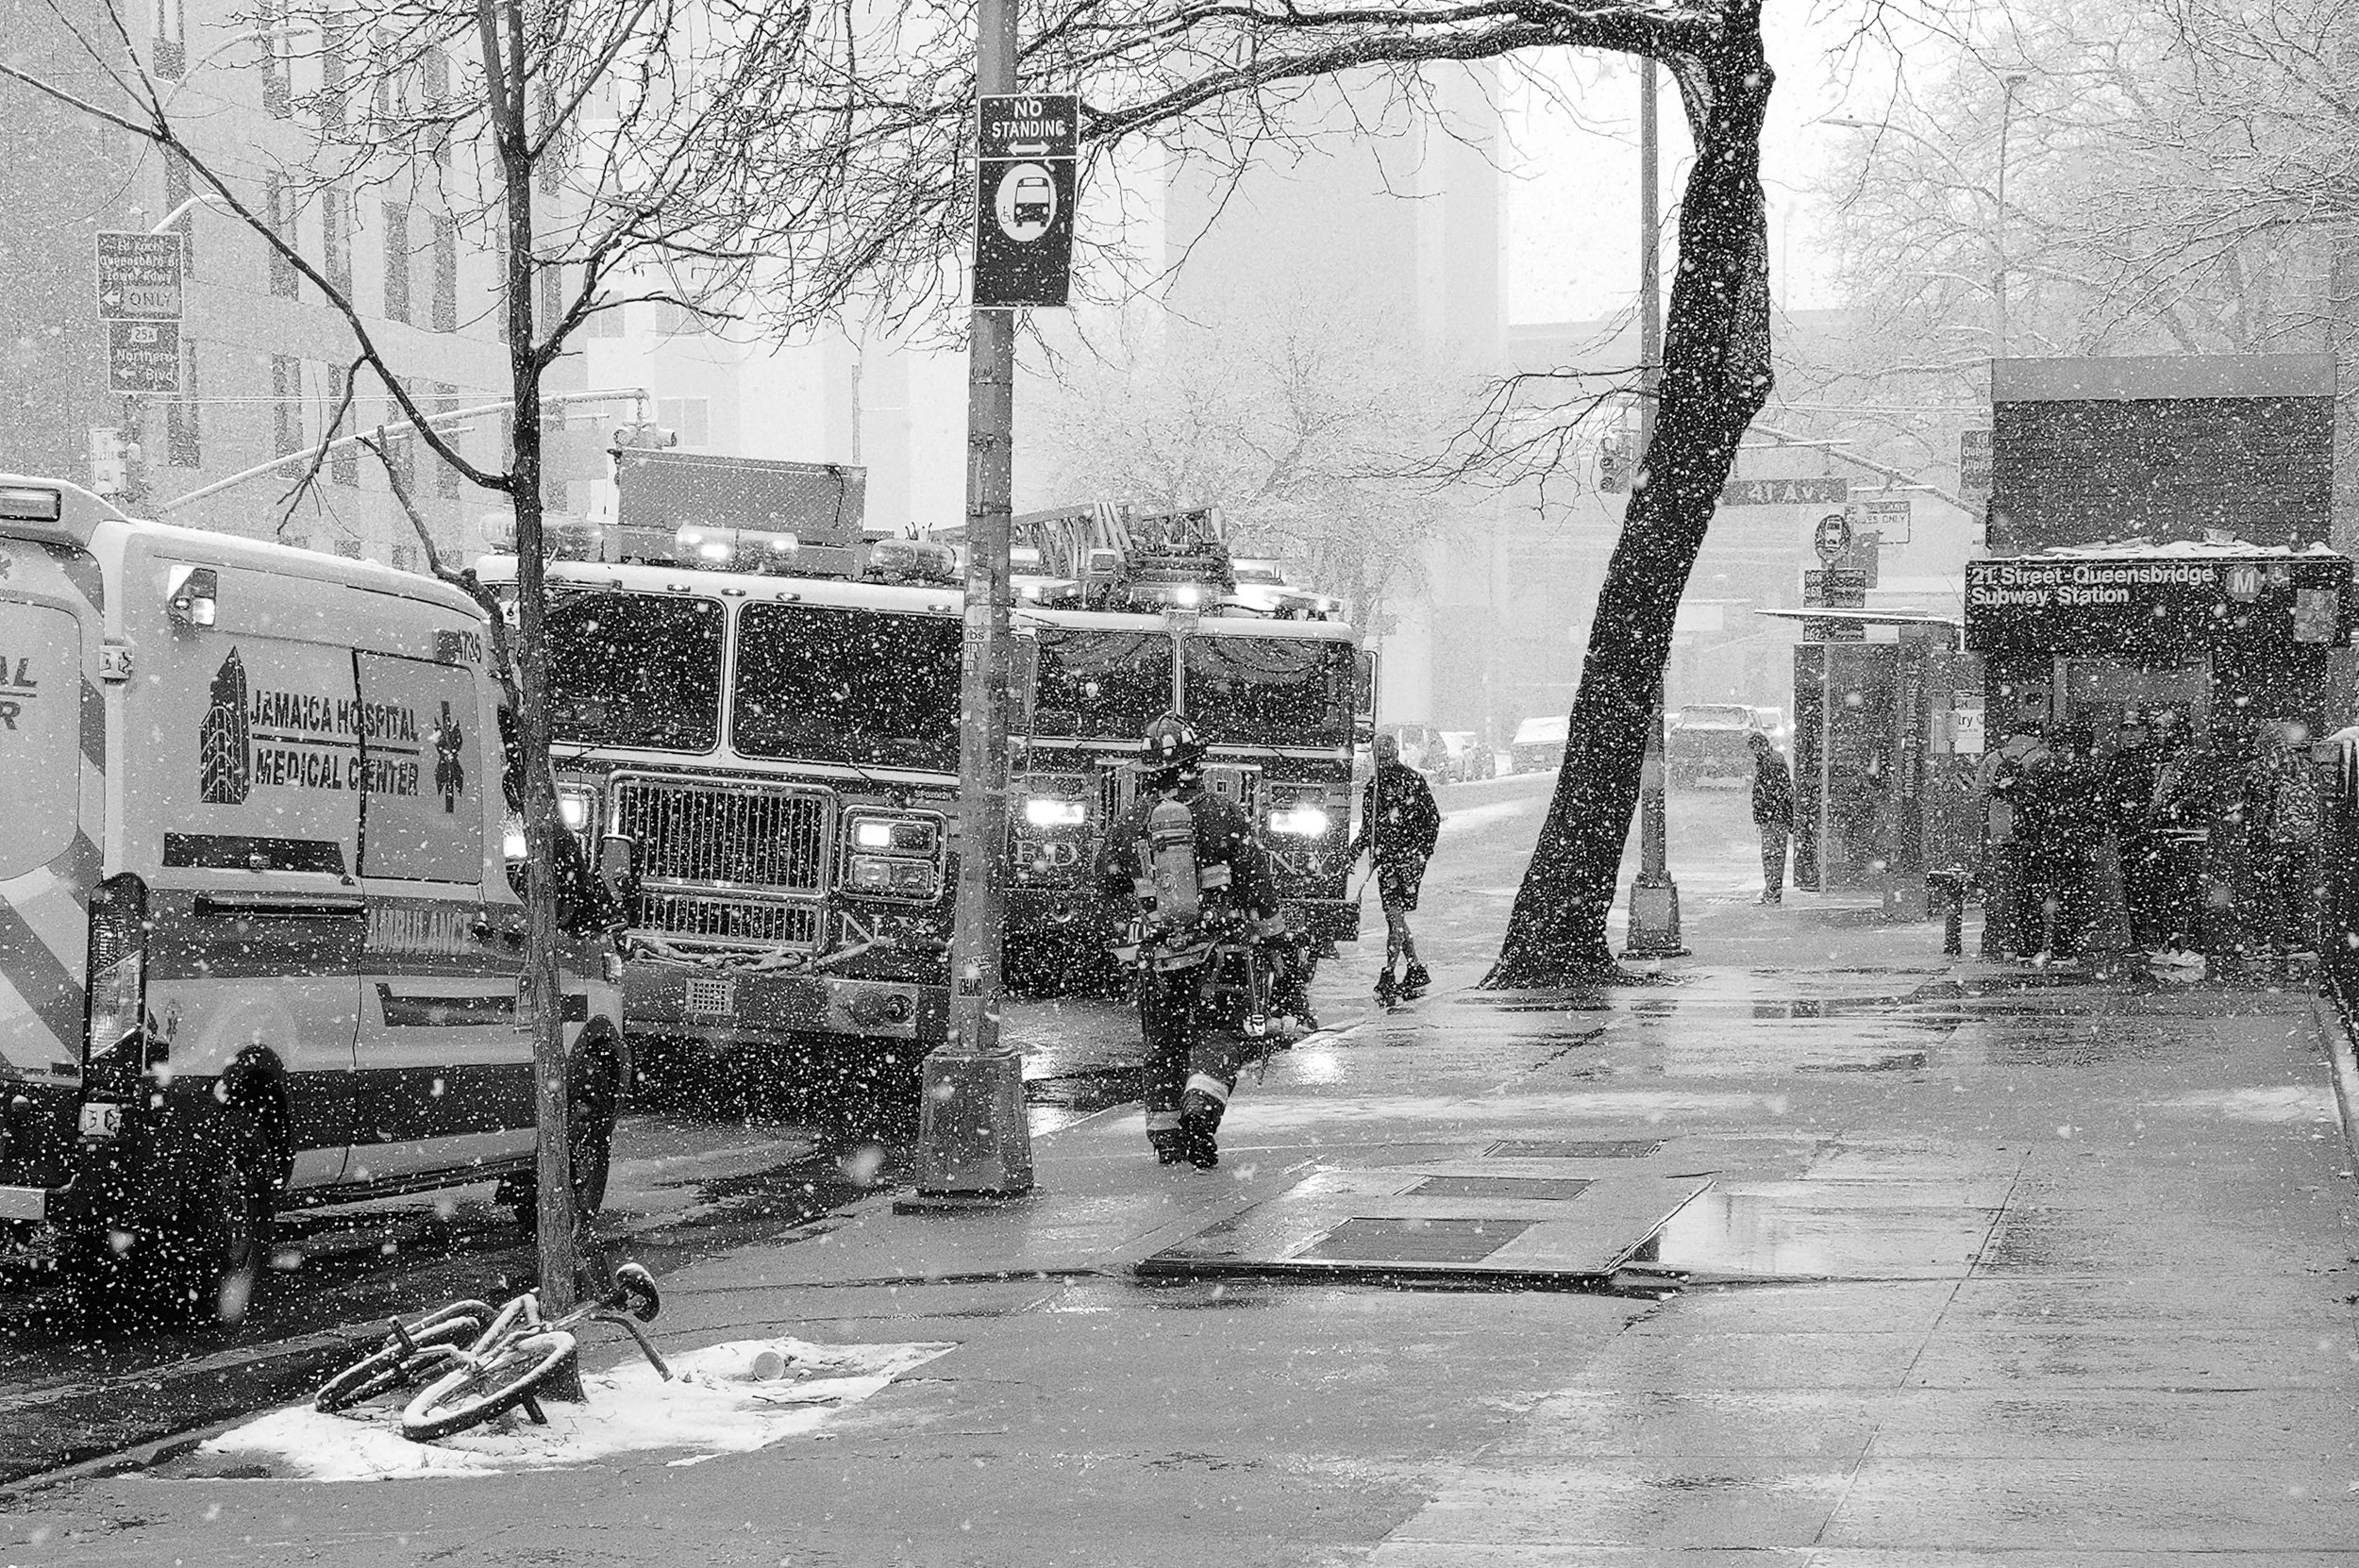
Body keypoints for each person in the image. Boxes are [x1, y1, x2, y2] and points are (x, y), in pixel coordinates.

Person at [1096, 712, 1288, 1169]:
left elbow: (1105, 882)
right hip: (1219, 952)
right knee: (1218, 1034)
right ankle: (1201, 1106)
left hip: (1158, 956)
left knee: (1163, 1046)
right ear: (1196, 763)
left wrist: (1134, 928)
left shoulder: (1130, 821)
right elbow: (1257, 884)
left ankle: (1167, 1140)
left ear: (1147, 771)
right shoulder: (1223, 812)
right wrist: (1274, 939)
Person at [1349, 733, 1441, 1003]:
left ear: (1396, 754)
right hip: (1389, 861)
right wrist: (1354, 852)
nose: (1384, 761)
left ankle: (1389, 972)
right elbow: (1369, 828)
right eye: (1380, 757)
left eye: (1387, 756)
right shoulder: (1374, 787)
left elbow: (1431, 819)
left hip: (1406, 861)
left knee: (1394, 915)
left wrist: (1421, 853)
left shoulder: (1411, 781)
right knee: (1395, 916)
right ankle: (1414, 967)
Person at [2242, 720, 2323, 973]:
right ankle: (2295, 942)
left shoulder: (2259, 766)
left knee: (2264, 892)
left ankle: (2262, 943)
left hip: (2269, 839)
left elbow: (2252, 803)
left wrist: (2254, 833)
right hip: (2299, 839)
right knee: (2293, 892)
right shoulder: (2305, 765)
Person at [1746, 730, 1793, 904]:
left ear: (1760, 746)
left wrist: (1765, 813)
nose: (1753, 753)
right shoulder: (1773, 760)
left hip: (1774, 817)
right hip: (1775, 816)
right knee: (1774, 855)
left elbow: (1775, 792)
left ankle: (1772, 892)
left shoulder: (1770, 763)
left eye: (1754, 749)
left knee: (1772, 856)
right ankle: (1772, 890)